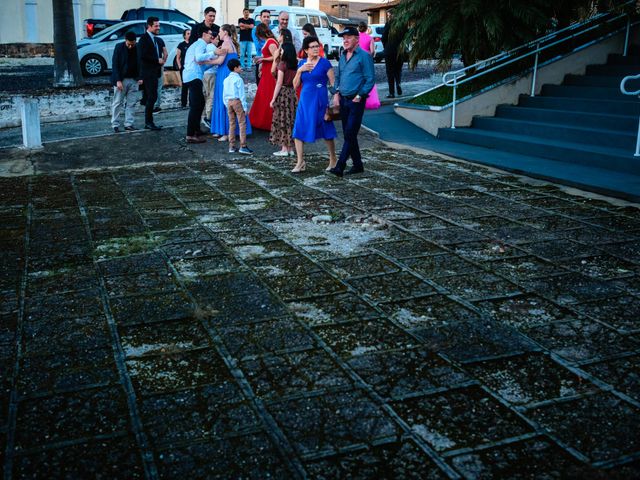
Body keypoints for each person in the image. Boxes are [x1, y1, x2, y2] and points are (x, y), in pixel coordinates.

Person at [329, 26, 375, 176]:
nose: (345, 40)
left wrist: (360, 95)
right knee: (349, 134)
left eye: (348, 37)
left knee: (349, 133)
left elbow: (370, 79)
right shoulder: (343, 55)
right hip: (343, 100)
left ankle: (339, 167)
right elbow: (339, 76)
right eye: (343, 38)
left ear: (357, 39)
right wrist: (336, 93)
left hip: (356, 101)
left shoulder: (364, 56)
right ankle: (358, 165)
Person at [291, 36, 337, 173]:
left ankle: (333, 158)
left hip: (320, 99)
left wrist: (335, 98)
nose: (316, 48)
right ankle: (300, 162)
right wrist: (300, 70)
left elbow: (333, 83)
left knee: (326, 130)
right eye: (313, 47)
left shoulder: (325, 63)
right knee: (298, 130)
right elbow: (295, 85)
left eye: (317, 46)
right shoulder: (301, 64)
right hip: (305, 100)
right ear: (306, 50)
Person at [211, 24, 252, 142]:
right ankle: (229, 131)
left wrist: (205, 62)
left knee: (225, 101)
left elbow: (220, 61)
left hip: (224, 74)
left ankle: (225, 132)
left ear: (225, 32)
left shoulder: (225, 44)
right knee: (234, 100)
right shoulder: (233, 44)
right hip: (230, 73)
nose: (219, 33)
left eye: (220, 31)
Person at [182, 26, 220, 143]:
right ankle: (190, 134)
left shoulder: (197, 45)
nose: (211, 36)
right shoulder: (201, 44)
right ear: (203, 34)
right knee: (196, 105)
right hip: (193, 77)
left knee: (199, 103)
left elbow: (201, 65)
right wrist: (214, 52)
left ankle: (196, 130)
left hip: (192, 75)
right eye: (209, 34)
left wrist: (213, 63)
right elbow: (198, 58)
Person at [269, 42, 298, 157]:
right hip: (292, 93)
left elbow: (279, 83)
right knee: (290, 120)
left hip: (283, 94)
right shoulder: (295, 64)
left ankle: (284, 148)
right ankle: (290, 148)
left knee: (282, 119)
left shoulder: (282, 64)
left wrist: (273, 98)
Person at [110, 31, 142, 133]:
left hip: (134, 79)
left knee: (131, 103)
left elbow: (141, 63)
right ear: (125, 40)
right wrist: (118, 80)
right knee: (117, 102)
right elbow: (115, 64)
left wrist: (140, 77)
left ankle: (129, 124)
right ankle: (115, 124)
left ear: (135, 41)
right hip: (121, 79)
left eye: (132, 44)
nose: (130, 47)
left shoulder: (138, 47)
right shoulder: (118, 47)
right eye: (129, 44)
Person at [248, 24, 278, 131]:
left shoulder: (270, 42)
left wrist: (263, 59)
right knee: (263, 95)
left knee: (267, 95)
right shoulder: (269, 41)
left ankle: (266, 121)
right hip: (266, 70)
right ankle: (261, 120)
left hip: (270, 72)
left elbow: (276, 57)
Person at [137, 16, 165, 130]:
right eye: (156, 26)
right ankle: (148, 122)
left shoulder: (155, 39)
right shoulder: (144, 39)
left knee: (152, 97)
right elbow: (142, 56)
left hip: (155, 72)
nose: (158, 28)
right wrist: (156, 60)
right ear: (149, 26)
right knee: (151, 97)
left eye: (159, 25)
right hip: (148, 73)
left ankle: (149, 122)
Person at [223, 58, 253, 155]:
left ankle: (231, 146)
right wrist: (245, 107)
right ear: (235, 68)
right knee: (242, 123)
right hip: (237, 102)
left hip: (229, 102)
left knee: (232, 124)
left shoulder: (226, 79)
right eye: (239, 67)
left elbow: (224, 94)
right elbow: (242, 95)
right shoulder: (238, 79)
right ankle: (243, 146)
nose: (241, 68)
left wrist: (226, 103)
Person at [358, 22, 381, 110]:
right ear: (367, 28)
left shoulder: (356, 38)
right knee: (369, 79)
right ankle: (370, 101)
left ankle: (358, 99)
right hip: (367, 60)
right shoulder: (370, 38)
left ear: (359, 28)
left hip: (358, 60)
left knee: (359, 78)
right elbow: (372, 51)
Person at [381, 12, 403, 98]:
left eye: (389, 15)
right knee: (398, 70)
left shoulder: (388, 24)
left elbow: (383, 37)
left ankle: (392, 92)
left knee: (390, 72)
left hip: (390, 50)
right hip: (400, 50)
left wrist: (386, 46)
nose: (388, 17)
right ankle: (398, 83)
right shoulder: (402, 24)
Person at [251, 10, 271, 84]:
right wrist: (269, 45)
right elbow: (258, 45)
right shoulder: (255, 30)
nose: (266, 18)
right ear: (260, 18)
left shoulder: (271, 29)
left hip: (270, 59)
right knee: (259, 83)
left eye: (268, 17)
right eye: (264, 16)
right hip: (260, 58)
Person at [174, 29, 190, 108]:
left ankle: (191, 103)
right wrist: (180, 66)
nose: (189, 35)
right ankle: (183, 103)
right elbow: (178, 57)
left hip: (191, 67)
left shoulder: (193, 44)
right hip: (184, 68)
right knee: (184, 85)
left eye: (190, 33)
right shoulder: (181, 45)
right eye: (188, 33)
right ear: (184, 35)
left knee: (192, 85)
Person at [154, 36, 168, 112]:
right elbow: (165, 53)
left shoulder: (145, 40)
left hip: (150, 67)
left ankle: (152, 105)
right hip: (159, 66)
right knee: (158, 87)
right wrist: (163, 62)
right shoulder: (159, 40)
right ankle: (157, 105)